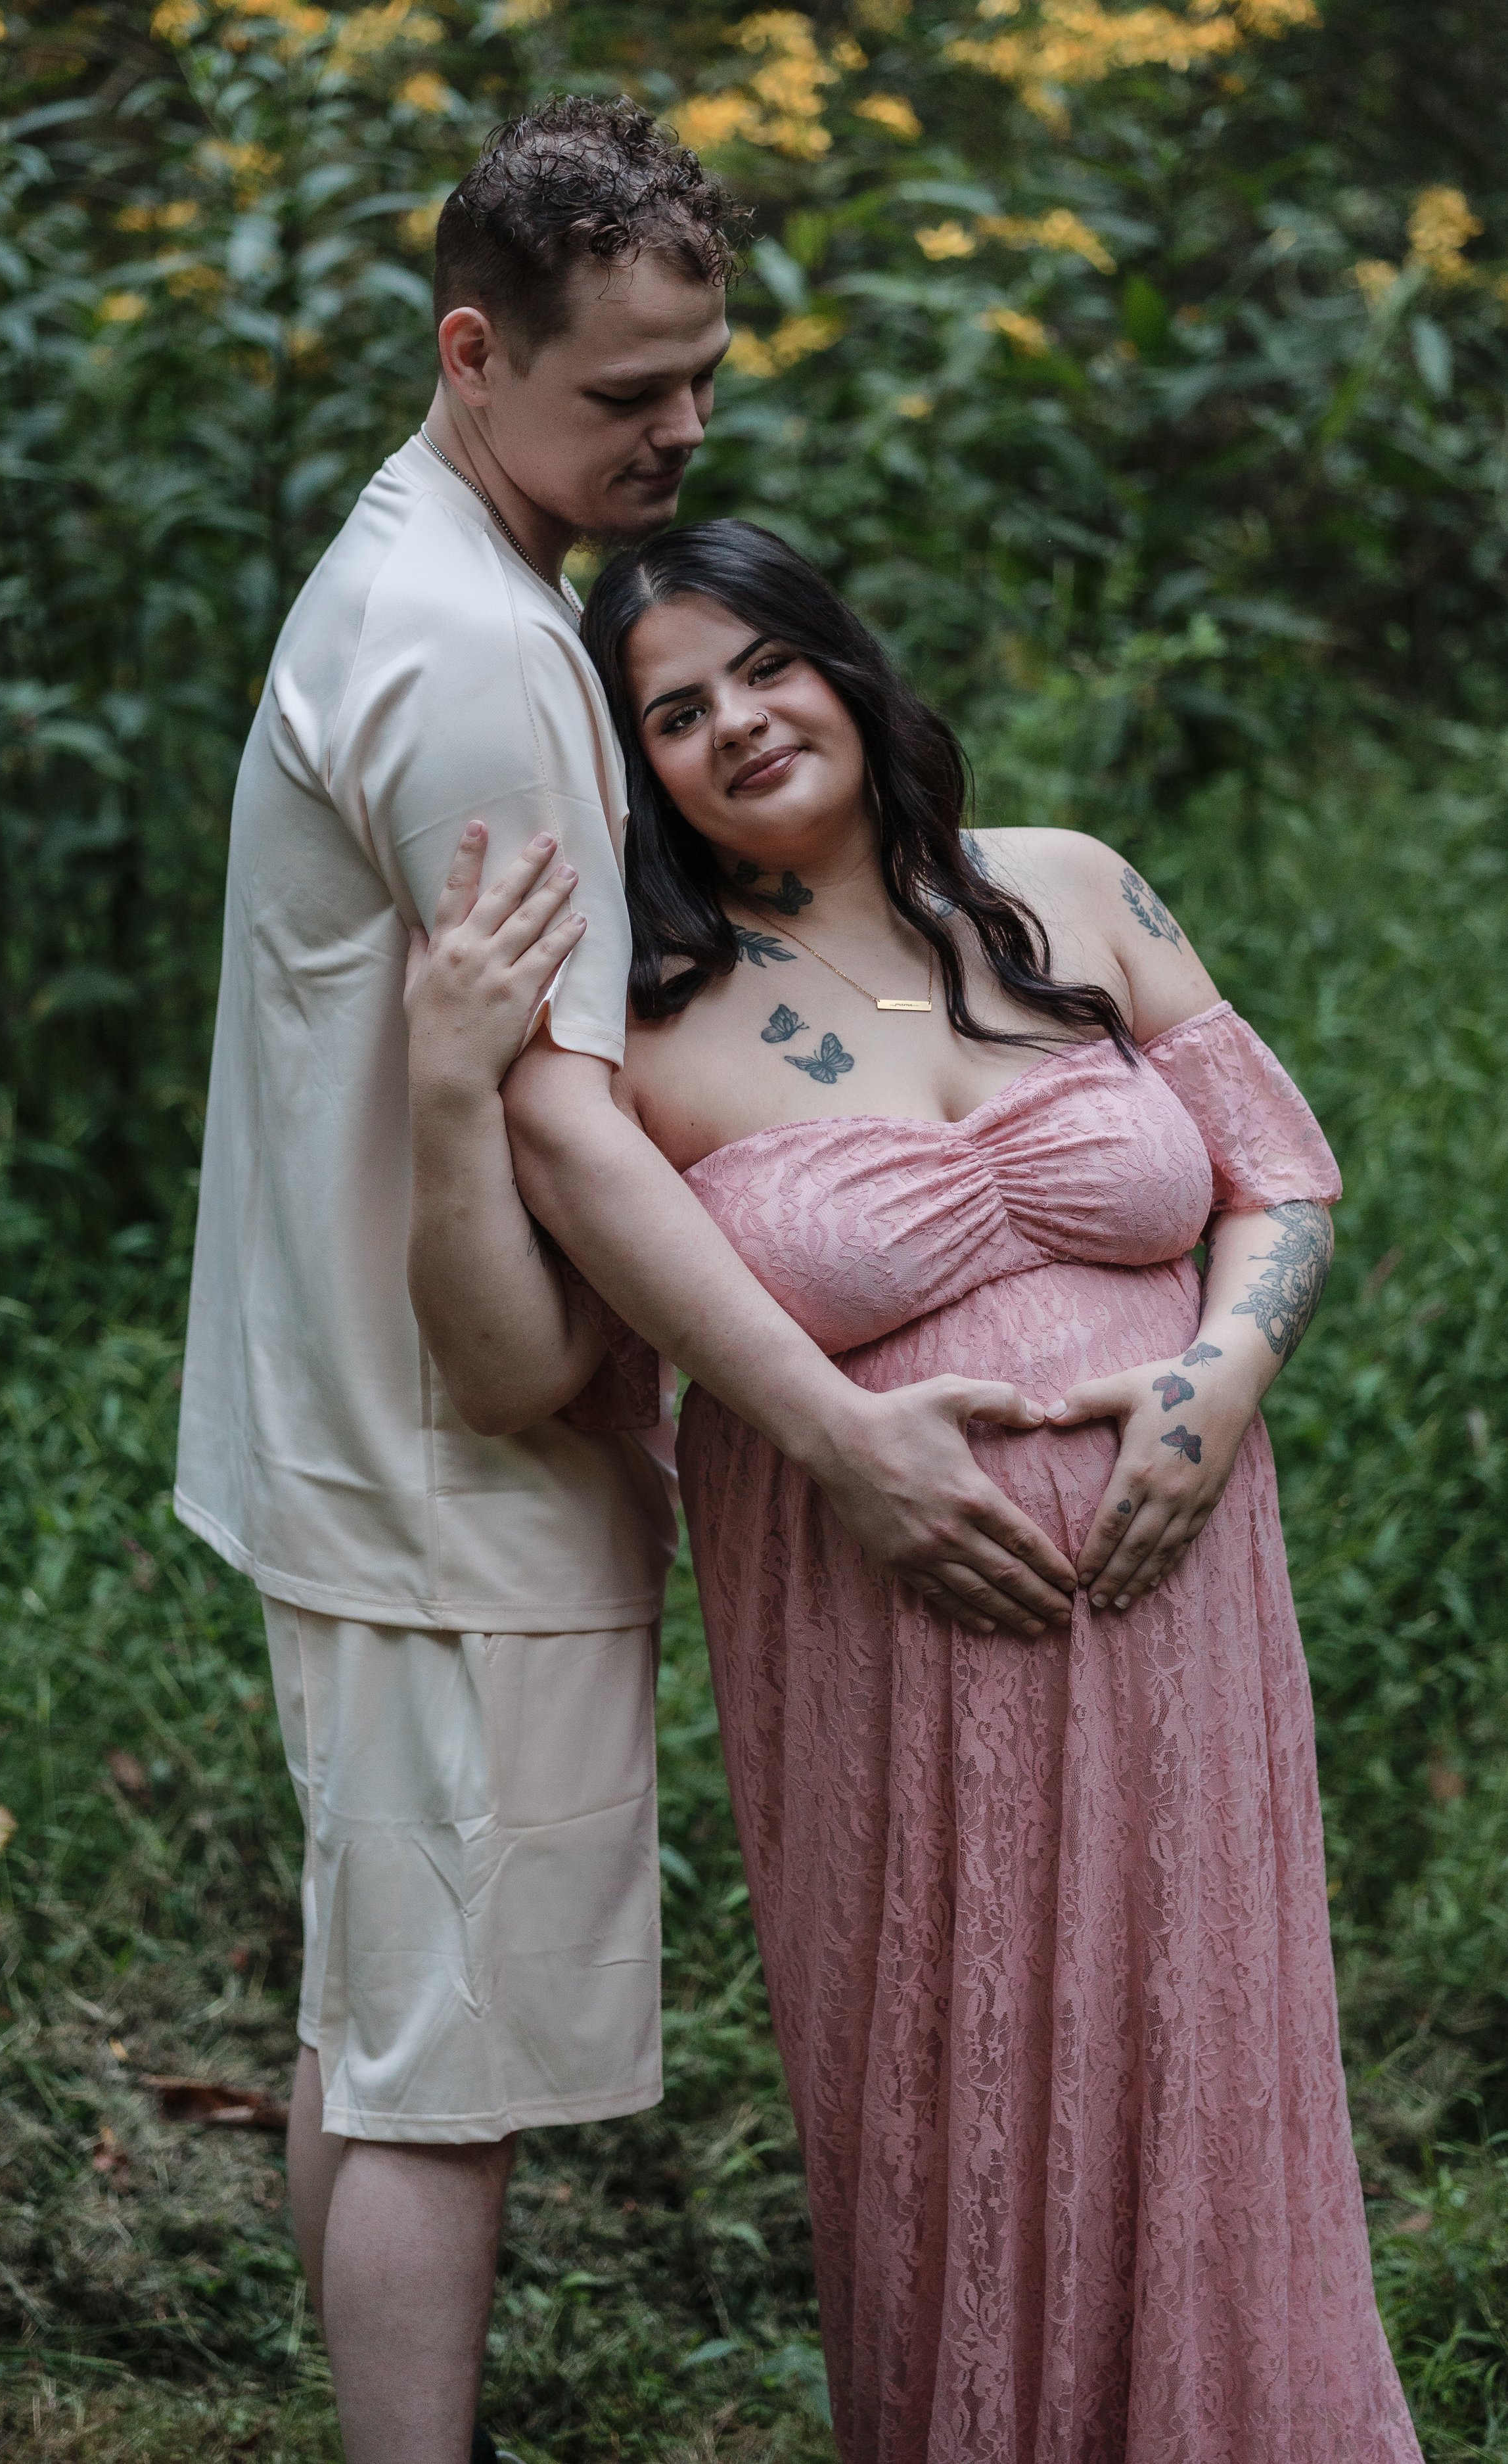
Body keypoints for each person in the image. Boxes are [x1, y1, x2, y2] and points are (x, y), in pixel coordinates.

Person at [173, 101, 1067, 2464]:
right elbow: (561, 1117)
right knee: (440, 2062)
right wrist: (829, 1425)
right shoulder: (476, 651)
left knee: (382, 2012)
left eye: (701, 379)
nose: (680, 431)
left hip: (364, 1422)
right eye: (624, 394)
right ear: (473, 351)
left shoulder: (441, 566)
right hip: (444, 1444)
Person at [402, 520, 1423, 2463]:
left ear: (838, 662)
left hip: (1177, 1581)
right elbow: (519, 1367)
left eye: (758, 668)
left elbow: (1273, 1175)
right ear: (636, 781)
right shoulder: (646, 1026)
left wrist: (1220, 1376)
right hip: (883, 1615)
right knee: (958, 2071)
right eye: (671, 717)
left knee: (1206, 2036)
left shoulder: (1062, 889)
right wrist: (455, 1091)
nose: (735, 726)